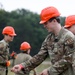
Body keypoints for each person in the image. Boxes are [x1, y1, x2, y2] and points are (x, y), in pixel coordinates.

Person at [11, 6, 75, 75]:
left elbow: (68, 59)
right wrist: (22, 66)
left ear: (54, 20)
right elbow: (40, 56)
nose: (44, 26)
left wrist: (49, 71)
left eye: (46, 23)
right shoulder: (49, 39)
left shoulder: (69, 37)